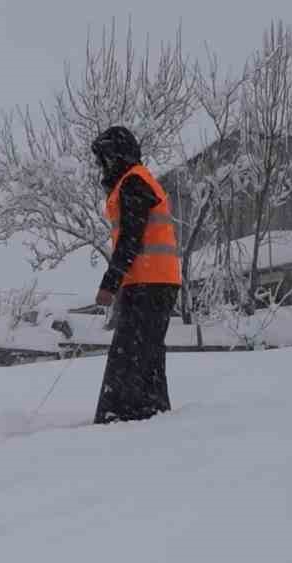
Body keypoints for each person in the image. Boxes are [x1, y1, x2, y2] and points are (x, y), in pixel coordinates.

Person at [89, 125, 182, 424]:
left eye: (104, 158)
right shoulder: (134, 182)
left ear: (117, 156)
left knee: (130, 352)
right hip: (152, 281)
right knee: (145, 351)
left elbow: (131, 237)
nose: (102, 165)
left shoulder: (134, 183)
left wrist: (110, 284)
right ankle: (149, 411)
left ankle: (124, 414)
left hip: (149, 282)